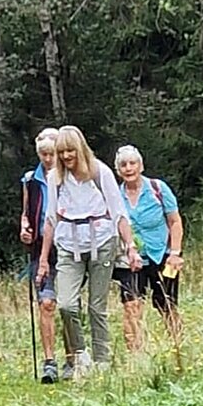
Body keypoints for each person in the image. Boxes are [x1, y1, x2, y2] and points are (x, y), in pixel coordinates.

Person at [36, 126, 141, 378]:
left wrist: (131, 247)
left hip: (102, 241)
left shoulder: (99, 172)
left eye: (70, 150)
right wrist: (43, 259)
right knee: (66, 304)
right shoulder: (55, 179)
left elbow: (118, 213)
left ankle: (102, 360)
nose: (65, 156)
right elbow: (50, 219)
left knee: (97, 306)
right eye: (61, 152)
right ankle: (80, 355)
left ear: (80, 149)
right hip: (68, 244)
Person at [112, 145, 184, 352]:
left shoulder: (157, 188)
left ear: (140, 166)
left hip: (162, 254)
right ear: (118, 170)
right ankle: (136, 355)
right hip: (131, 258)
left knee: (166, 303)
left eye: (132, 163)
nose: (128, 168)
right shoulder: (115, 196)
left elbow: (175, 221)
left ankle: (178, 345)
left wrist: (175, 253)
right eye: (123, 165)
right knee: (131, 305)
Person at [20, 127, 60, 384]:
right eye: (43, 154)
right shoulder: (30, 180)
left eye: (51, 153)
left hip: (66, 246)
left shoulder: (69, 177)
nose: (47, 159)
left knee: (67, 305)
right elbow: (26, 212)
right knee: (45, 303)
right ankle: (49, 362)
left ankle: (74, 357)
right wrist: (24, 228)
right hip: (38, 249)